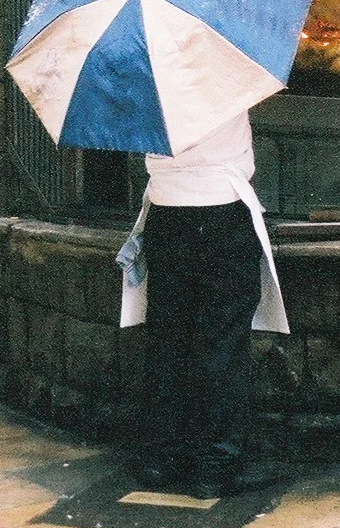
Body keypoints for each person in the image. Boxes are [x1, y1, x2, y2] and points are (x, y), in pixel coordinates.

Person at [118, 112, 287, 499]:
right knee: (223, 344)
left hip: (165, 211)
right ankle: (216, 465)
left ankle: (162, 458)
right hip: (222, 210)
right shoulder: (226, 66)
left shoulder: (148, 80)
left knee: (167, 339)